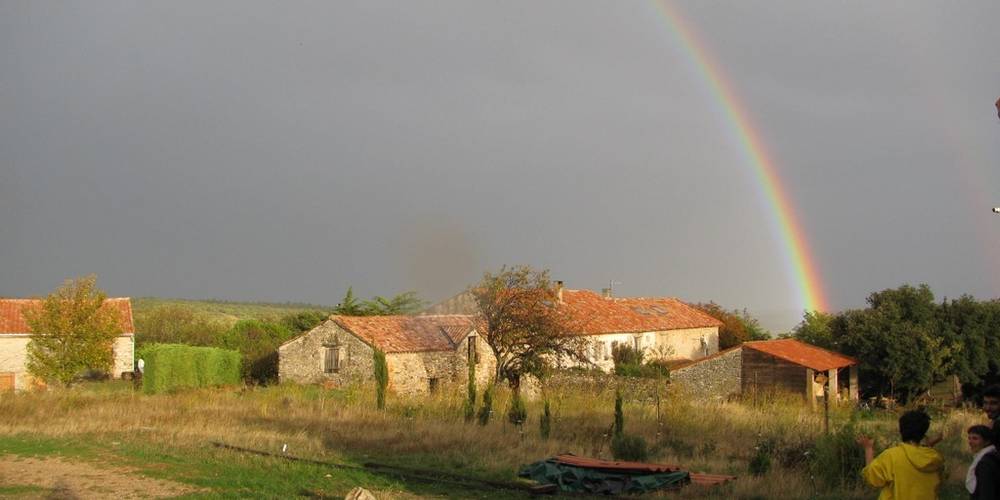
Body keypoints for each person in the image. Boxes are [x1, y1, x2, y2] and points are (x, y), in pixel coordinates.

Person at [857, 409, 944, 500]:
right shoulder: (933, 458)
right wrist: (929, 445)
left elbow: (871, 479)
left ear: (901, 430)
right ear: (923, 433)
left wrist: (868, 448)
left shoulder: (892, 456)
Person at [967, 425, 1000, 499]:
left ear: (987, 441)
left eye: (975, 438)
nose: (970, 442)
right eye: (969, 438)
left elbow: (986, 494)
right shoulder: (993, 455)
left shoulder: (985, 464)